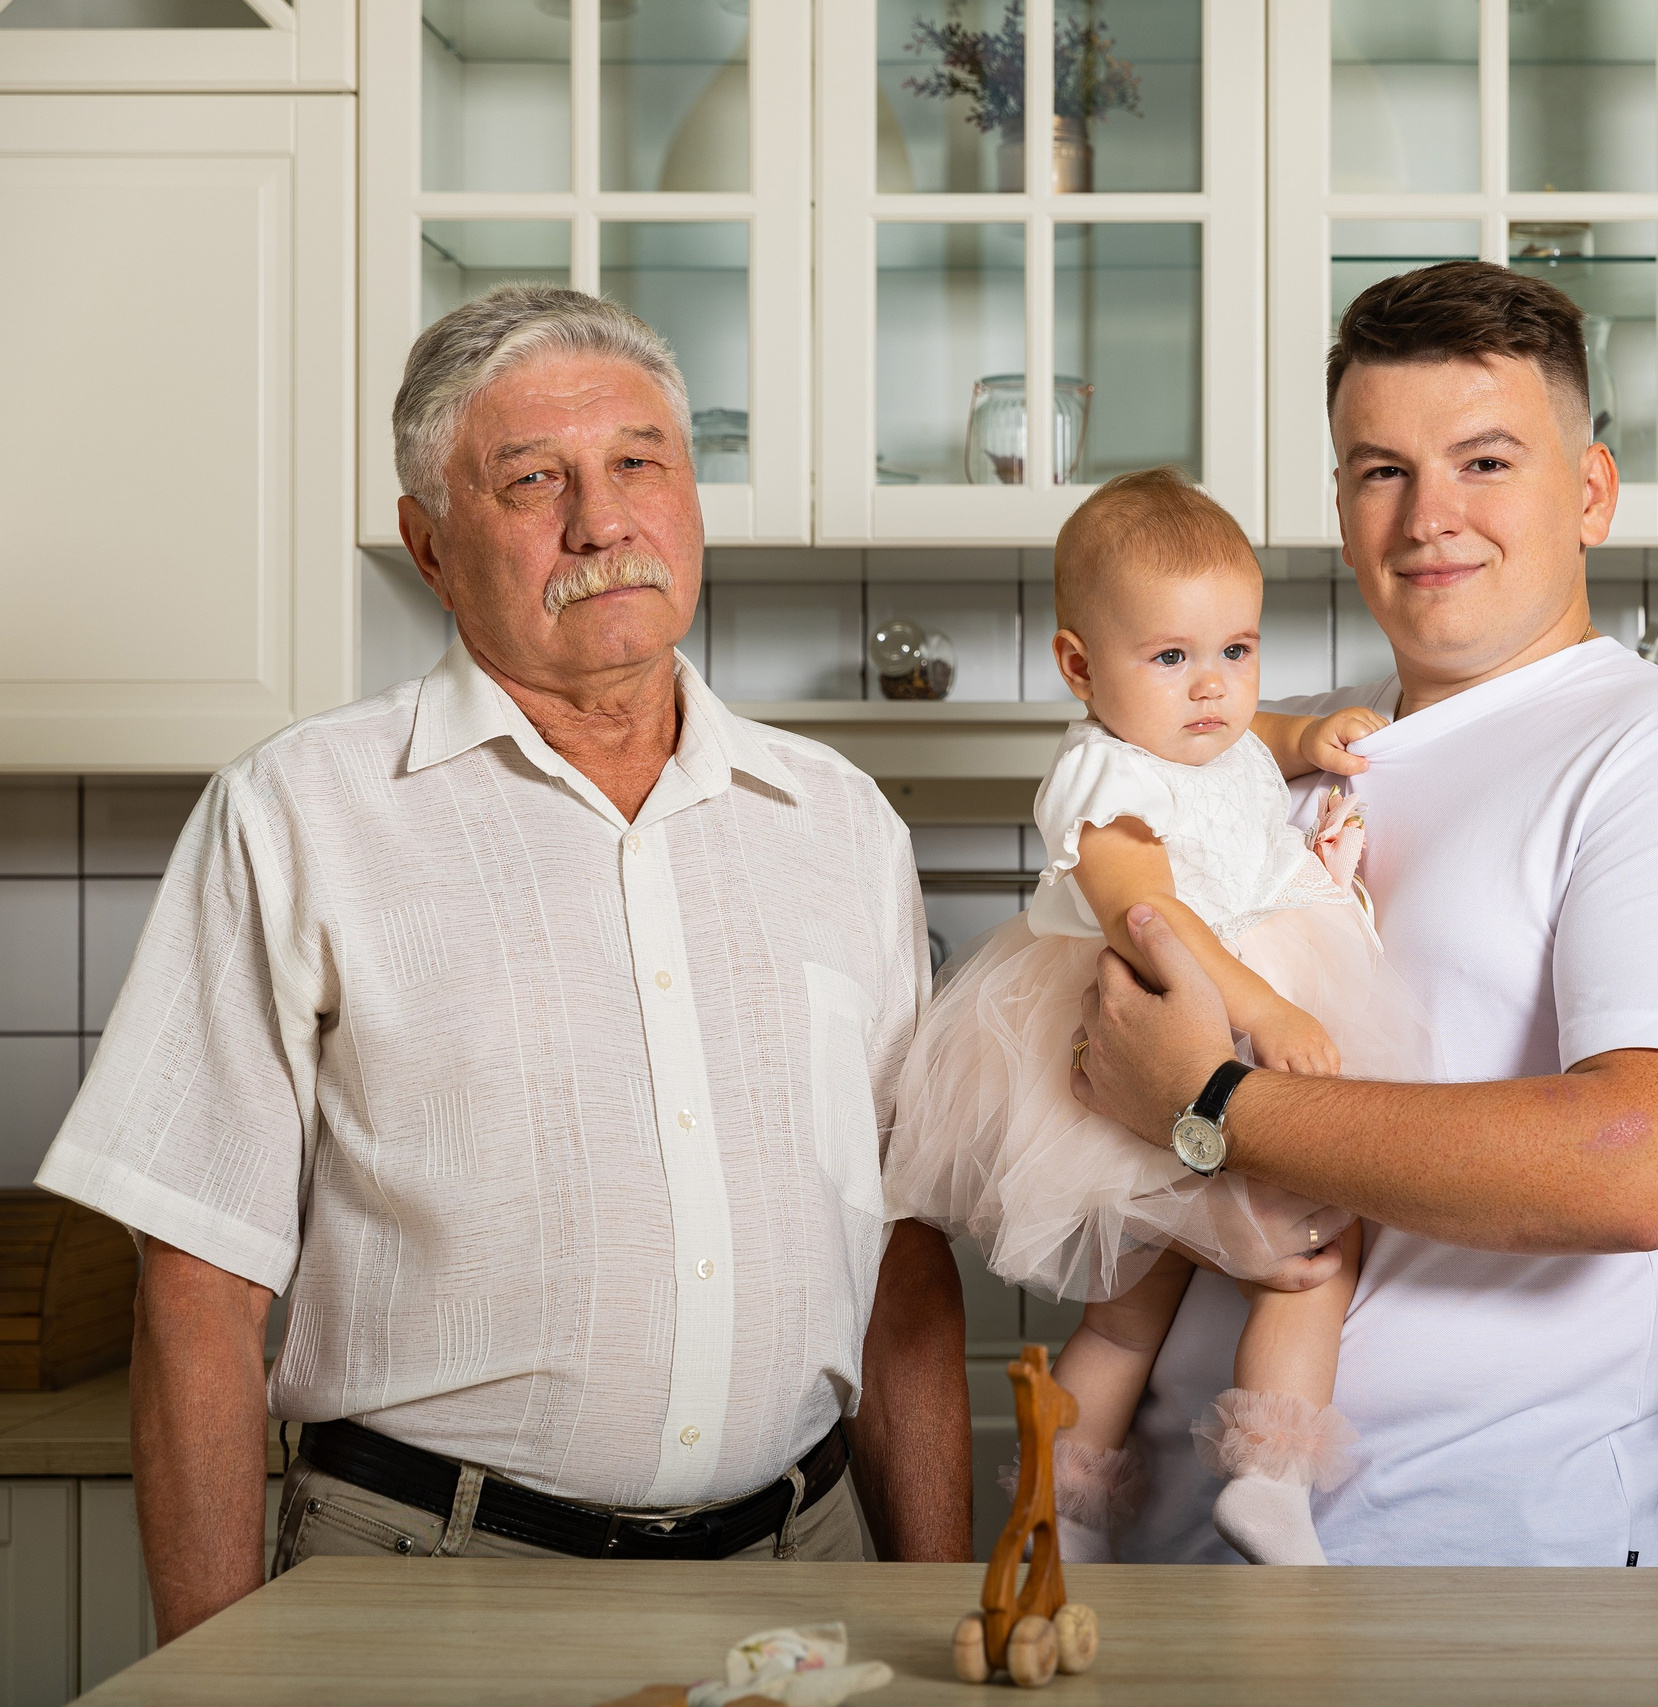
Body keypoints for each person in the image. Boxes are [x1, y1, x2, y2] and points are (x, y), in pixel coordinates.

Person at [34, 285, 971, 1640]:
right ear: (429, 542)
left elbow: (903, 1258)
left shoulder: (840, 824)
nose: (602, 522)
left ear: (691, 494)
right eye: (534, 480)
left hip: (802, 1571)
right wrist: (208, 1673)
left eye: (639, 463)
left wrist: (941, 1612)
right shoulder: (300, 811)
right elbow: (199, 1290)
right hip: (424, 1577)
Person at [1067, 262, 1658, 1566]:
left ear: (1589, 492)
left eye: (1484, 461)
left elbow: (1633, 1162)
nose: (1429, 516)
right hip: (1181, 1558)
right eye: (1381, 470)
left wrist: (1212, 1107)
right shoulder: (1281, 753)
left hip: (1487, 1573)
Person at [888, 468, 1428, 1567]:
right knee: (1314, 1252)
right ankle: (1247, 1481)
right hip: (1177, 1020)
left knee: (1127, 1315)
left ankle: (1069, 1516)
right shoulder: (1098, 774)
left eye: (1237, 649)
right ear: (1079, 665)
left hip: (1203, 1029)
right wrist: (1265, 1006)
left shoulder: (1213, 732)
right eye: (1172, 658)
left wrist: (1310, 733)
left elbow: (1253, 738)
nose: (1213, 689)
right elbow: (1149, 910)